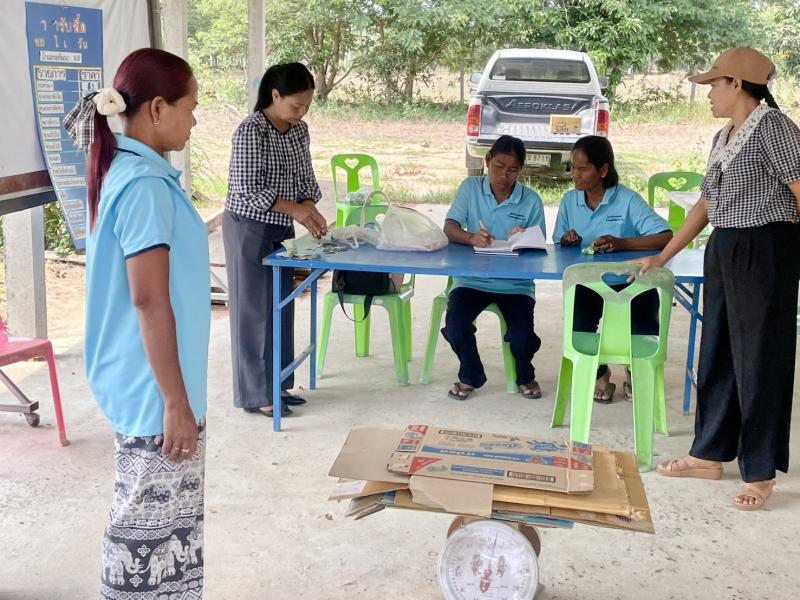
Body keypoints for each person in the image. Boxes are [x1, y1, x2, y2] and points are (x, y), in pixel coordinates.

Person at [65, 48, 208, 597]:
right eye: (190, 107)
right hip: (155, 389)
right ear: (157, 108)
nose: (193, 120)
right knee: (145, 541)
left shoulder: (130, 171)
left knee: (167, 537)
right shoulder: (144, 185)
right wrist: (175, 403)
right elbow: (148, 300)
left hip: (150, 381)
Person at [635, 47, 800, 511]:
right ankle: (708, 454)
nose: (708, 93)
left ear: (737, 84)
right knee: (719, 350)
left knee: (760, 357)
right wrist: (663, 256)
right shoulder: (723, 136)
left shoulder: (774, 128)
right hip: (725, 246)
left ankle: (760, 473)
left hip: (766, 247)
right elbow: (705, 205)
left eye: (713, 84)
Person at [223, 63, 326, 419]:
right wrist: (296, 209)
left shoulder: (298, 131)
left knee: (281, 306)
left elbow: (305, 176)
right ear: (275, 95)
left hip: (281, 226)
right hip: (248, 226)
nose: (301, 112)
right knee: (253, 311)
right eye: (296, 105)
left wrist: (309, 208)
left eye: (307, 105)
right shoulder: (251, 131)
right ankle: (256, 394)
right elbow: (247, 189)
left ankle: (278, 384)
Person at [553, 135, 673, 403]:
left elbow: (665, 236)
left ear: (603, 169)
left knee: (644, 325)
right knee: (578, 326)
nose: (575, 175)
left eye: (583, 168)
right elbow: (558, 244)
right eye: (573, 167)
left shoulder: (627, 199)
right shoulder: (569, 201)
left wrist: (623, 243)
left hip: (632, 281)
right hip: (589, 283)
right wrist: (567, 240)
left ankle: (634, 370)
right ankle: (600, 374)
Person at [441, 135, 545, 400]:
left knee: (522, 336)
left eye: (512, 170)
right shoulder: (470, 188)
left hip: (515, 284)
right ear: (487, 161)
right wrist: (471, 238)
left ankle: (525, 374)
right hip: (471, 280)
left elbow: (539, 249)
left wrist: (523, 238)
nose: (504, 176)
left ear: (520, 170)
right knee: (455, 324)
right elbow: (450, 228)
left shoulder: (531, 200)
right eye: (498, 167)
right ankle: (470, 374)